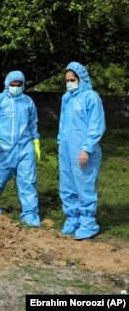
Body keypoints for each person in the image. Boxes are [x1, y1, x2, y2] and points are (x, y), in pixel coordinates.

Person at [0, 70, 41, 227]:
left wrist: (35, 142)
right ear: (7, 84)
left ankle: (30, 213)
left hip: (25, 147)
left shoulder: (28, 102)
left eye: (18, 85)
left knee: (28, 180)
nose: (15, 87)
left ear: (23, 85)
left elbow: (33, 124)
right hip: (3, 148)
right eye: (12, 84)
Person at [58, 62, 105, 240]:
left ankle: (88, 222)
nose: (69, 83)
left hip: (84, 151)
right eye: (67, 80)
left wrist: (86, 149)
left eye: (73, 80)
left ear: (81, 79)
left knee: (84, 185)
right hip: (66, 149)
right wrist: (60, 142)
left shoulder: (91, 97)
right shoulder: (66, 98)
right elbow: (63, 124)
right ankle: (72, 219)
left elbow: (96, 125)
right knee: (67, 185)